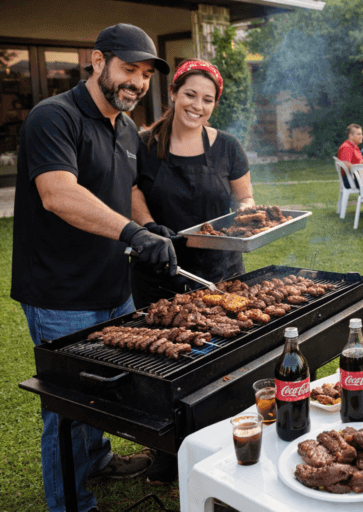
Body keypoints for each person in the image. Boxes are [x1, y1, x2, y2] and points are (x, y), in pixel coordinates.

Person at [11, 23, 175, 512]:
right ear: (98, 61)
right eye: (129, 69)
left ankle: (98, 460)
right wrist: (130, 234)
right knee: (68, 406)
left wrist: (148, 226)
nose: (138, 83)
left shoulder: (126, 128)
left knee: (104, 391)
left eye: (146, 74)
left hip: (111, 285)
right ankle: (71, 503)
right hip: (59, 292)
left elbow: (125, 192)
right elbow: (58, 194)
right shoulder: (53, 117)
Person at [130, 60, 255, 484]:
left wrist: (249, 221)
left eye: (207, 99)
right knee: (163, 366)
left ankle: (218, 442)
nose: (197, 106)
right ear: (174, 94)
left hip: (221, 271)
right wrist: (147, 228)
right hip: (159, 270)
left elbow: (245, 200)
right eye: (190, 95)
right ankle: (166, 451)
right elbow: (131, 190)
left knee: (221, 359)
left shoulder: (228, 147)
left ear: (214, 104)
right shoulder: (143, 142)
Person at [337, 123, 363, 188]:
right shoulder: (347, 147)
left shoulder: (355, 146)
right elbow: (346, 166)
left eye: (361, 134)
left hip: (356, 177)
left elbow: (358, 162)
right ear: (351, 135)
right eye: (359, 134)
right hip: (350, 179)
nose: (361, 136)